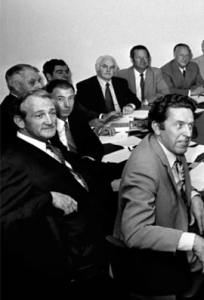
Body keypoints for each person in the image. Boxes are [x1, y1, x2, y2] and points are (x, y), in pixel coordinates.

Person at [1, 90, 112, 299]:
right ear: (20, 121)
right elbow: (4, 219)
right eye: (39, 115)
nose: (50, 120)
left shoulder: (49, 146)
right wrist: (47, 199)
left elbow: (86, 170)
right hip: (68, 266)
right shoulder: (12, 159)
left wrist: (133, 166)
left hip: (90, 250)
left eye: (52, 113)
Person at [113, 94, 204, 291]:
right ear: (157, 127)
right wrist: (194, 241)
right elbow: (135, 233)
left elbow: (175, 179)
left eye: (190, 125)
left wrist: (193, 195)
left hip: (177, 223)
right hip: (158, 257)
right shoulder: (144, 167)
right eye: (179, 125)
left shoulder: (169, 144)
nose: (188, 133)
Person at [46, 79, 106, 160]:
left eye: (71, 98)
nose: (67, 105)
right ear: (49, 100)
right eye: (60, 99)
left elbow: (96, 145)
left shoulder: (77, 116)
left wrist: (88, 160)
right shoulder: (47, 125)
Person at [75, 55, 141, 122]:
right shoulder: (85, 86)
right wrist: (103, 116)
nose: (108, 70)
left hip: (121, 119)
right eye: (104, 66)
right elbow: (82, 111)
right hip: (100, 123)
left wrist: (130, 106)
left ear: (115, 70)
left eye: (112, 67)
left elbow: (136, 101)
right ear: (97, 67)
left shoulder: (121, 83)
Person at [1, 64, 43, 143]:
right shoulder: (9, 112)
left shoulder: (29, 103)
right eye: (32, 82)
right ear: (17, 86)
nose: (40, 86)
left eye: (39, 81)